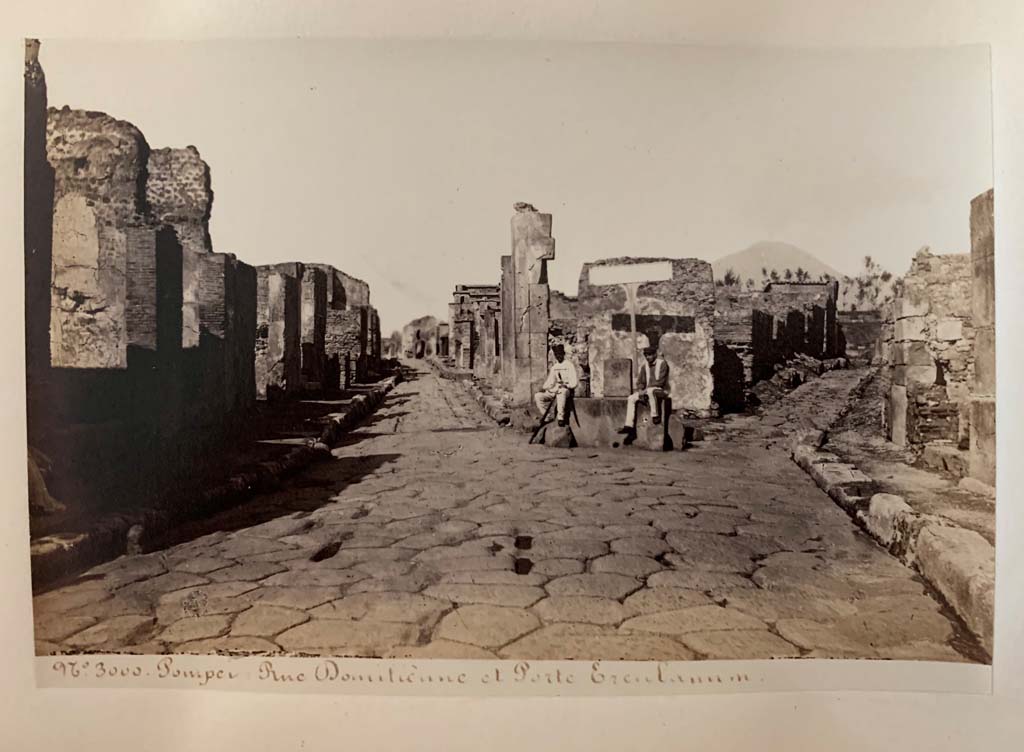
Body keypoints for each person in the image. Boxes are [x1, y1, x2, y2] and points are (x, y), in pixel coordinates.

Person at [620, 346, 669, 433]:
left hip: (660, 391)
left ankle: (655, 415)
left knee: (651, 391)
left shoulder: (663, 364)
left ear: (655, 354)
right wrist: (640, 389)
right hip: (647, 391)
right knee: (631, 398)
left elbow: (661, 382)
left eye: (649, 355)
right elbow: (640, 382)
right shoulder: (644, 366)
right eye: (646, 355)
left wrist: (646, 390)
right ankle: (628, 425)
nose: (647, 357)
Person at [534, 344, 578, 427]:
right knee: (538, 396)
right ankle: (547, 417)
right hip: (556, 389)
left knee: (561, 392)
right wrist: (544, 387)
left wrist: (567, 385)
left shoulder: (569, 365)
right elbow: (550, 381)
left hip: (566, 390)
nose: (558, 356)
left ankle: (560, 418)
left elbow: (574, 381)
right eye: (556, 355)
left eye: (560, 354)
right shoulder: (555, 367)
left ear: (563, 354)